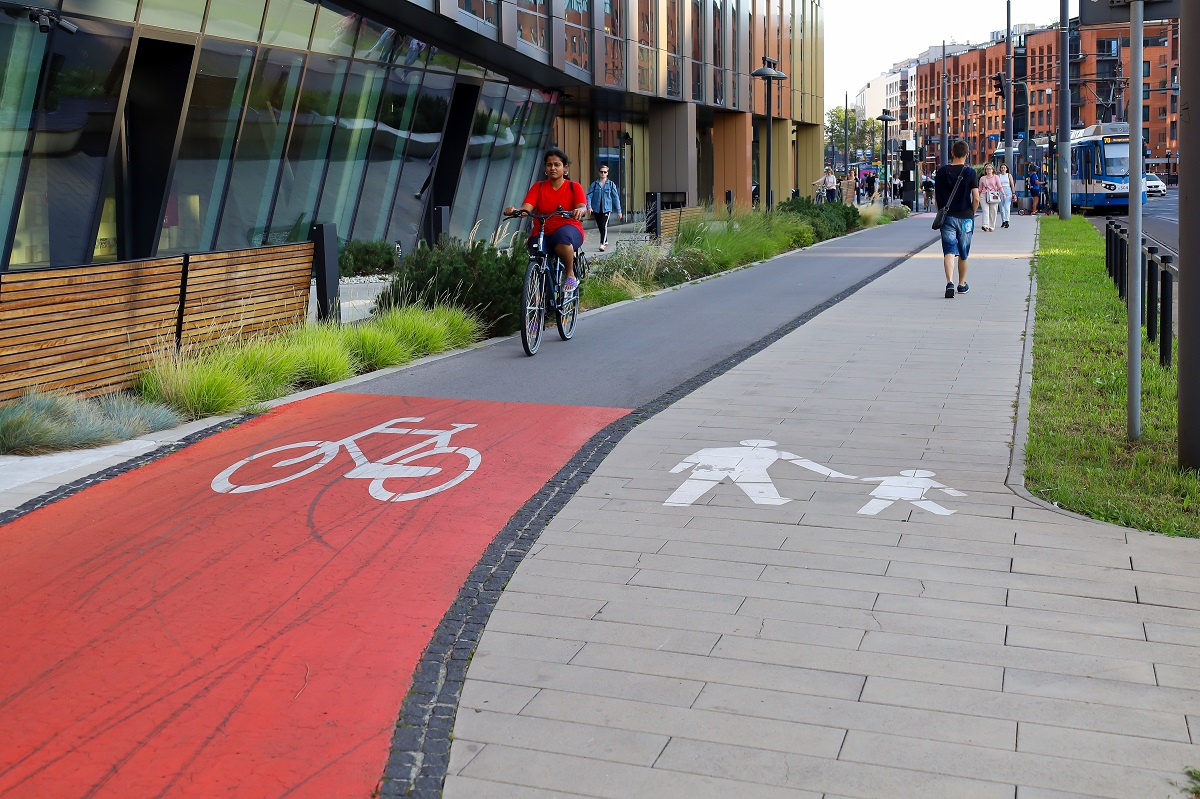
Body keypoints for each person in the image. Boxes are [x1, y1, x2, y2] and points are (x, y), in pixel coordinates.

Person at [504, 148, 588, 291]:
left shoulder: (574, 187)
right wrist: (515, 211)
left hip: (568, 228)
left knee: (562, 238)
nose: (553, 168)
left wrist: (580, 210)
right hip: (542, 231)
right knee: (537, 249)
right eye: (549, 165)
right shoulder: (539, 187)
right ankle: (543, 296)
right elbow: (526, 209)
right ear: (545, 168)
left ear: (565, 168)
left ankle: (570, 274)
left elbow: (582, 206)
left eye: (557, 164)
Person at [934, 139, 980, 299]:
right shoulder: (970, 173)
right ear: (967, 154)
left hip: (947, 217)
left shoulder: (941, 172)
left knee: (948, 251)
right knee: (963, 252)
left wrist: (940, 212)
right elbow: (976, 198)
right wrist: (972, 213)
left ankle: (949, 283)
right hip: (966, 217)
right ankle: (962, 284)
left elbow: (937, 199)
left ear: (952, 153)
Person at [586, 166, 622, 251]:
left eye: (605, 172)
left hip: (606, 209)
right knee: (600, 226)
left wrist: (619, 211)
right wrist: (589, 207)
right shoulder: (595, 184)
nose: (603, 173)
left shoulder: (611, 184)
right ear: (599, 173)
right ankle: (606, 241)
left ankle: (602, 244)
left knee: (603, 225)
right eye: (601, 172)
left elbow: (615, 198)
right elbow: (589, 196)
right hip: (596, 209)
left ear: (607, 173)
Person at [978, 163, 1004, 232]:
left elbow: (999, 186)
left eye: (990, 169)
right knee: (985, 210)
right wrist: (977, 196)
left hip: (993, 195)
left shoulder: (996, 177)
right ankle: (985, 225)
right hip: (984, 195)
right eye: (987, 169)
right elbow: (980, 189)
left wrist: (1003, 193)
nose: (988, 170)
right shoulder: (982, 178)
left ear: (993, 170)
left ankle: (991, 226)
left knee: (993, 211)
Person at [997, 161, 1015, 228]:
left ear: (1006, 169)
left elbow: (1012, 184)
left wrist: (1013, 193)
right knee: (1001, 208)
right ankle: (1003, 221)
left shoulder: (1009, 175)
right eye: (1002, 168)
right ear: (1000, 169)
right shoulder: (999, 176)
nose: (1003, 169)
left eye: (1004, 167)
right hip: (1000, 191)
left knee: (1007, 207)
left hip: (1008, 191)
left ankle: (1007, 221)